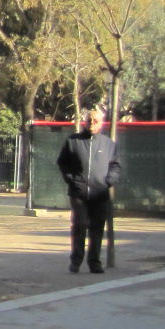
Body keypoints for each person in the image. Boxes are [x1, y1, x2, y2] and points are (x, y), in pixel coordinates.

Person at [57, 108, 121, 273]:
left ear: (101, 123)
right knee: (79, 225)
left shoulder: (108, 144)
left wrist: (108, 181)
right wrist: (72, 180)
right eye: (89, 120)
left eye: (95, 121)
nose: (92, 123)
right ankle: (76, 261)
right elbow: (62, 163)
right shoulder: (73, 141)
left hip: (100, 193)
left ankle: (95, 262)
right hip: (79, 193)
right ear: (85, 122)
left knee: (97, 227)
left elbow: (115, 166)